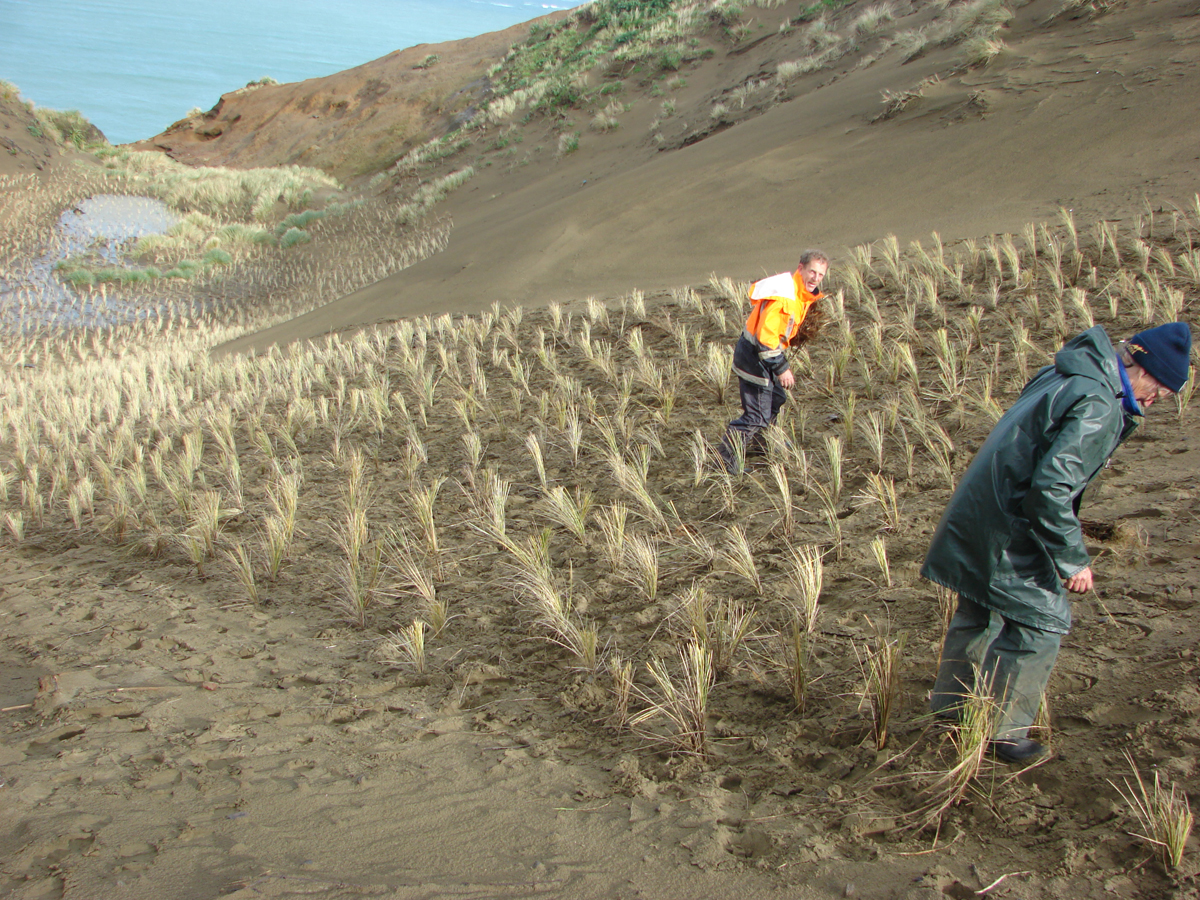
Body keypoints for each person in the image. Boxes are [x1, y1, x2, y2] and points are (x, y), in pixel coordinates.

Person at [922, 321, 1192, 763]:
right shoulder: (1100, 405)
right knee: (1041, 623)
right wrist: (1071, 559)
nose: (1156, 399)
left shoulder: (1068, 371)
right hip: (1007, 526)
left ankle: (949, 713)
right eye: (1161, 388)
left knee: (978, 609)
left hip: (977, 509)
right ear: (1141, 367)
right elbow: (1050, 489)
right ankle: (1001, 734)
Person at [718, 249, 829, 474]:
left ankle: (759, 443)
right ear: (801, 268)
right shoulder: (785, 299)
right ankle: (725, 460)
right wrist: (782, 368)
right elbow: (765, 342)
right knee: (755, 416)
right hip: (754, 359)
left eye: (820, 275)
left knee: (776, 397)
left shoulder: (798, 293)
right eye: (812, 272)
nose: (815, 279)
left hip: (761, 356)